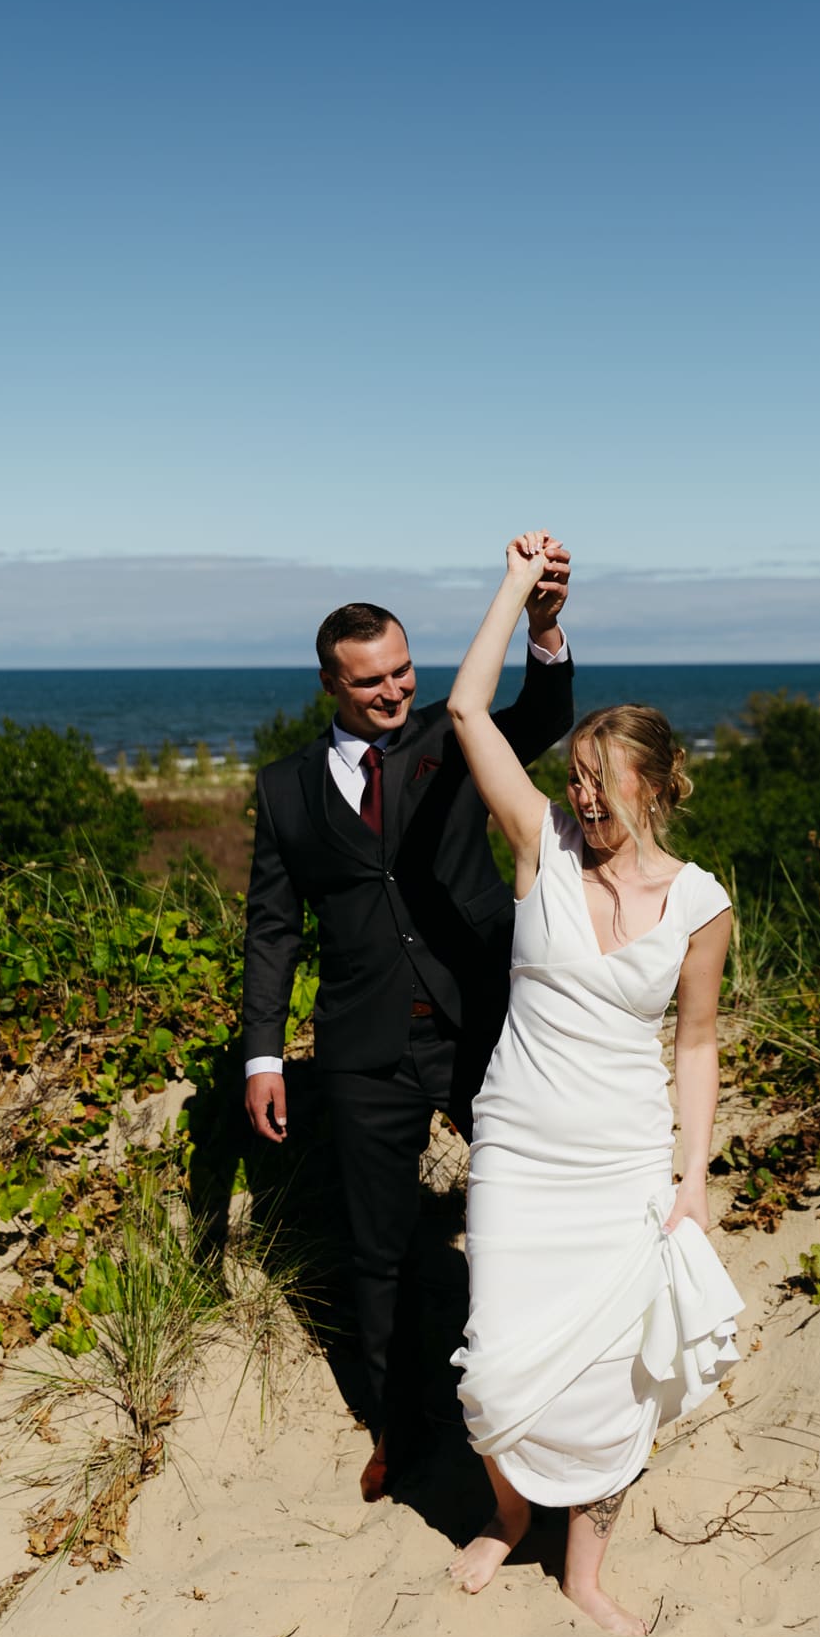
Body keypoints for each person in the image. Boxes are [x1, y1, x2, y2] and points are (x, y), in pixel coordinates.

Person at [445, 532, 744, 1635]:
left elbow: (697, 1045)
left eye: (603, 785)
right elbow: (471, 715)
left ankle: (585, 1567)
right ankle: (509, 1510)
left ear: (661, 785)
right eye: (573, 777)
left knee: (618, 1369)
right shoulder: (540, 843)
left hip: (622, 1157)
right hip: (520, 1150)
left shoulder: (702, 905)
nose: (582, 798)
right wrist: (522, 596)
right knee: (498, 1358)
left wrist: (692, 1176)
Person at [242, 552, 574, 1499]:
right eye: (368, 679)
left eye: (401, 670)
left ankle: (551, 1403)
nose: (392, 691)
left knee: (526, 1223)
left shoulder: (453, 737)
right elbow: (272, 928)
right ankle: (396, 1427)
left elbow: (542, 718)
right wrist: (264, 1054)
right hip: (360, 1049)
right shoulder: (283, 789)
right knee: (377, 1250)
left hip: (482, 1025)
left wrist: (544, 628)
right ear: (329, 684)